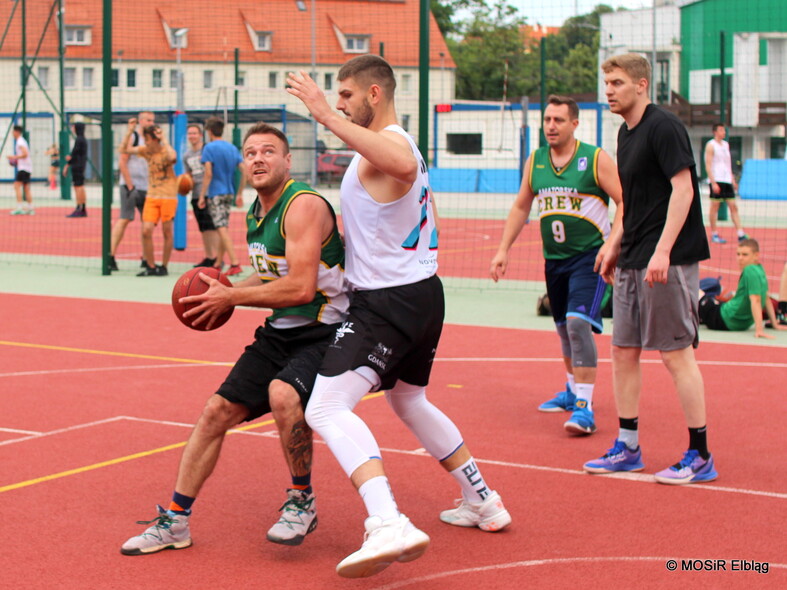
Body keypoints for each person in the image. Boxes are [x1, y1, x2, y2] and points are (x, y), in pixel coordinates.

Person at [287, 55, 511, 579]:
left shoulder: (394, 145)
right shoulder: (378, 148)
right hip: (418, 293)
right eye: (334, 96)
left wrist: (325, 115)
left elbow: (404, 166)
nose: (338, 102)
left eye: (345, 94)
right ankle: (483, 499)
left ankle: (387, 521)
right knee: (409, 399)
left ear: (372, 94)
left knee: (325, 408)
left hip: (389, 303)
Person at [120, 122, 348, 555]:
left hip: (325, 330)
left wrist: (234, 296)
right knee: (215, 412)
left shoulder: (303, 205)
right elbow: (266, 276)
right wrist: (221, 291)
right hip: (280, 332)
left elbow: (300, 288)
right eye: (251, 153)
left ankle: (302, 500)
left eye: (268, 151)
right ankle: (175, 521)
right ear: (244, 164)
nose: (258, 158)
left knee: (283, 395)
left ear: (287, 160)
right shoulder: (256, 213)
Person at [587, 53, 717, 485]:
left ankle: (700, 454)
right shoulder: (625, 134)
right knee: (623, 350)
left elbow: (683, 191)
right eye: (607, 83)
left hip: (669, 259)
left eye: (618, 83)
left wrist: (663, 250)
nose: (610, 90)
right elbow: (633, 202)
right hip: (633, 258)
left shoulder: (664, 127)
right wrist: (614, 244)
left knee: (675, 354)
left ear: (642, 85)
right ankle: (627, 445)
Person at [490, 95, 623, 436]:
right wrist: (503, 249)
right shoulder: (536, 161)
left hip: (589, 258)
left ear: (574, 124)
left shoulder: (594, 159)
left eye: (558, 120)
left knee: (579, 324)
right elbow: (521, 206)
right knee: (564, 328)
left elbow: (625, 201)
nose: (551, 126)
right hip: (554, 261)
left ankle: (584, 407)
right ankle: (571, 389)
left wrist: (611, 245)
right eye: (547, 119)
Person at [119, 119, 177, 276]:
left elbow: (172, 157)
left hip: (168, 196)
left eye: (147, 139)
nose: (145, 141)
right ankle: (150, 266)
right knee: (146, 230)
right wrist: (130, 131)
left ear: (154, 139)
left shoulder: (165, 150)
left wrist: (164, 138)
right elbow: (123, 149)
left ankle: (164, 266)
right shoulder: (146, 150)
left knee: (167, 232)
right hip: (152, 195)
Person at [698, 239, 784, 338]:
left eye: (744, 255)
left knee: (695, 291)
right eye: (738, 254)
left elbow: (756, 300)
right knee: (715, 299)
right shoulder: (760, 268)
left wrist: (759, 330)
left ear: (756, 255)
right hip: (733, 318)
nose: (740, 258)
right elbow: (766, 298)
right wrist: (775, 324)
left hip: (723, 319)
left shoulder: (749, 270)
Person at [198, 117, 244, 276]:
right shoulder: (232, 148)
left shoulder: (209, 148)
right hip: (229, 192)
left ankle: (235, 262)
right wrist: (239, 193)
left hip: (216, 193)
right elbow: (244, 170)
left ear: (209, 131)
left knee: (221, 228)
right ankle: (218, 263)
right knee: (223, 227)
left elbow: (208, 173)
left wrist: (202, 195)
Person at [109, 111, 155, 271]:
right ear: (141, 121)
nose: (151, 123)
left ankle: (146, 258)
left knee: (147, 224)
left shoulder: (152, 141)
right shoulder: (134, 137)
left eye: (152, 120)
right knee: (125, 219)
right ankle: (110, 255)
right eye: (148, 120)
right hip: (131, 186)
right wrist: (130, 186)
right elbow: (123, 161)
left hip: (146, 187)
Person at [704, 123, 748, 244]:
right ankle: (714, 234)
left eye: (724, 130)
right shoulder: (710, 145)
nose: (723, 132)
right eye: (721, 130)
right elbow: (708, 165)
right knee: (715, 207)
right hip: (716, 179)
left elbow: (728, 164)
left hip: (726, 180)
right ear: (715, 132)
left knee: (733, 206)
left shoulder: (726, 145)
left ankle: (740, 234)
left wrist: (732, 179)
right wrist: (713, 182)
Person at [183, 123, 219, 267]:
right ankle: (209, 256)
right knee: (203, 228)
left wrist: (204, 195)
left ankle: (217, 257)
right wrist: (185, 183)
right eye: (190, 133)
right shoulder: (186, 155)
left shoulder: (207, 149)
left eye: (194, 133)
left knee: (213, 227)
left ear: (200, 135)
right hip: (195, 194)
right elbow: (188, 175)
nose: (192, 136)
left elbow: (212, 172)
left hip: (209, 193)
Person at [64, 122, 89, 218]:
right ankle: (82, 208)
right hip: (81, 166)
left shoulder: (79, 140)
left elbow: (74, 154)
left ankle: (79, 208)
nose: (72, 128)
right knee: (80, 186)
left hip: (77, 166)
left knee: (78, 187)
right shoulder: (83, 139)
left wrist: (68, 162)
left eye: (73, 127)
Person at [8, 125, 33, 215]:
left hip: (23, 168)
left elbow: (25, 154)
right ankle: (30, 208)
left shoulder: (20, 142)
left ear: (17, 132)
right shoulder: (22, 141)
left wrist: (13, 157)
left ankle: (19, 207)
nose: (12, 133)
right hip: (27, 167)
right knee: (26, 187)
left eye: (13, 131)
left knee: (17, 186)